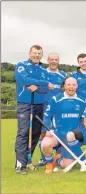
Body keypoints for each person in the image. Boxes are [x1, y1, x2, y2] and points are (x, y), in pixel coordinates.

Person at [14, 45, 53, 174]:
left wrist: (39, 86)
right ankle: (20, 164)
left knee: (35, 133)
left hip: (39, 104)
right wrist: (44, 83)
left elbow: (46, 90)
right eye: (34, 53)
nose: (36, 55)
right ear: (29, 53)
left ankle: (26, 161)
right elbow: (24, 80)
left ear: (42, 55)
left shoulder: (43, 70)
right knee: (24, 132)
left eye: (39, 53)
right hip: (25, 104)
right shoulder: (21, 65)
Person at [40, 77, 86, 173]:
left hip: (72, 137)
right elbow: (47, 117)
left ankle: (58, 158)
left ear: (77, 86)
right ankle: (49, 163)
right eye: (69, 84)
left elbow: (85, 120)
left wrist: (81, 133)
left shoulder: (82, 101)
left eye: (73, 85)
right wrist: (49, 129)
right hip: (57, 134)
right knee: (45, 144)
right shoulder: (56, 99)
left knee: (67, 166)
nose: (71, 87)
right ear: (64, 86)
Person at [36, 52, 67, 167]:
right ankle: (44, 158)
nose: (54, 61)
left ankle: (59, 155)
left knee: (60, 131)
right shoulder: (42, 73)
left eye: (56, 59)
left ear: (58, 61)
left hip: (59, 109)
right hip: (44, 107)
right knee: (44, 133)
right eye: (52, 59)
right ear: (48, 60)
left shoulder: (63, 74)